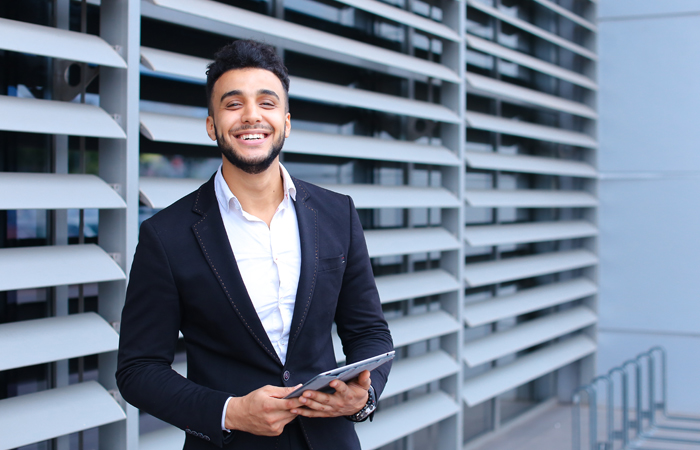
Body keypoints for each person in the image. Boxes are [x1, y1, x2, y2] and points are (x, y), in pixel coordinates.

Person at [115, 39, 393, 450]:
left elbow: (369, 331)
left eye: (267, 102)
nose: (251, 116)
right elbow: (138, 369)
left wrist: (363, 397)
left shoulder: (338, 213)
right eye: (233, 104)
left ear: (286, 120)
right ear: (212, 125)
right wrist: (229, 411)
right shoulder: (165, 235)